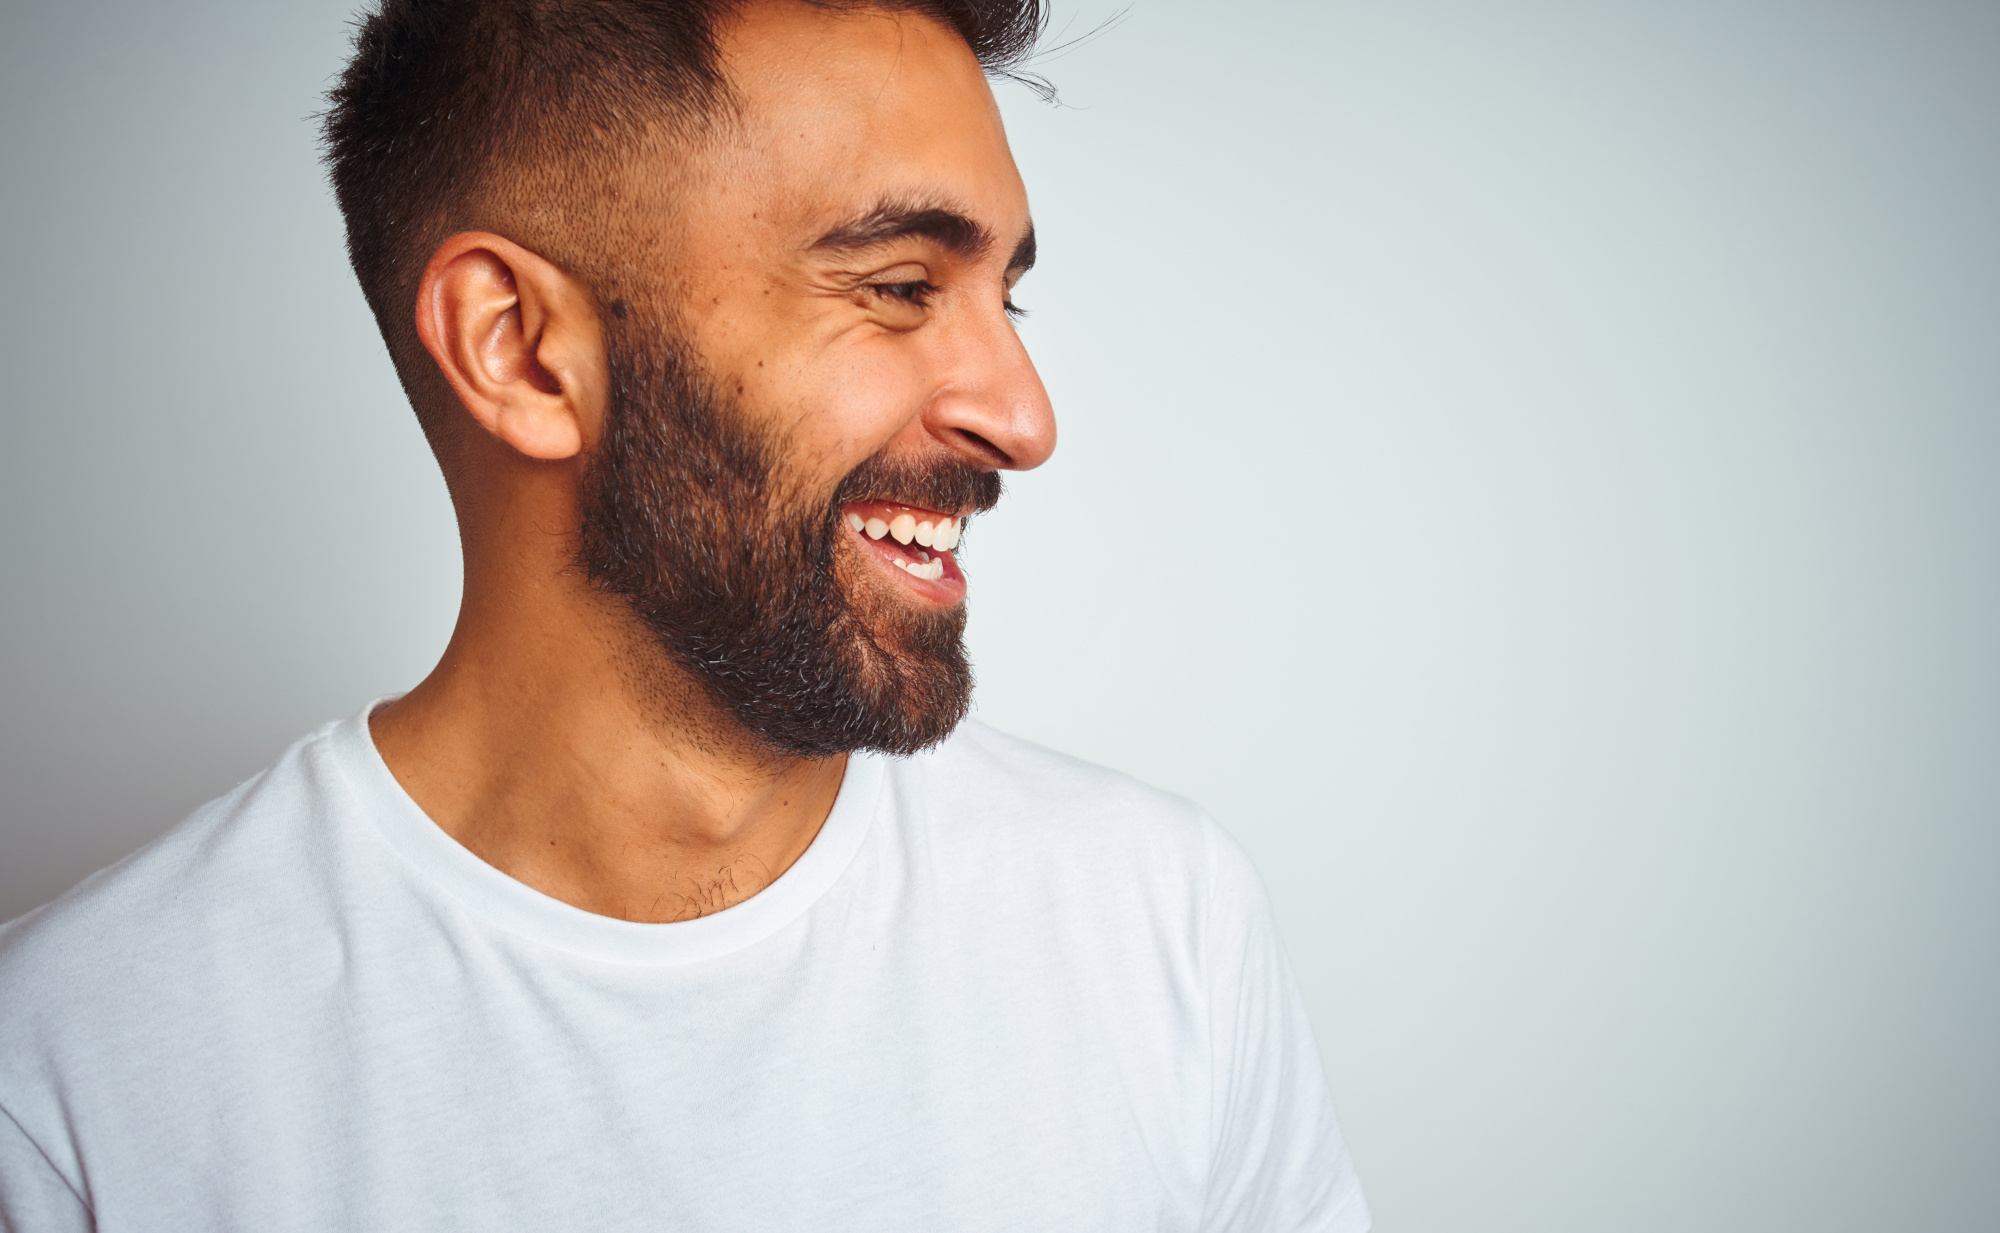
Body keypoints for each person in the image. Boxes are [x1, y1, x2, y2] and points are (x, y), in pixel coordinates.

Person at [0, 1, 1370, 1228]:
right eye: (900, 287)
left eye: (1004, 296)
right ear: (520, 350)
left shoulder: (1159, 920)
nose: (1024, 417)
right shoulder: (70, 1082)